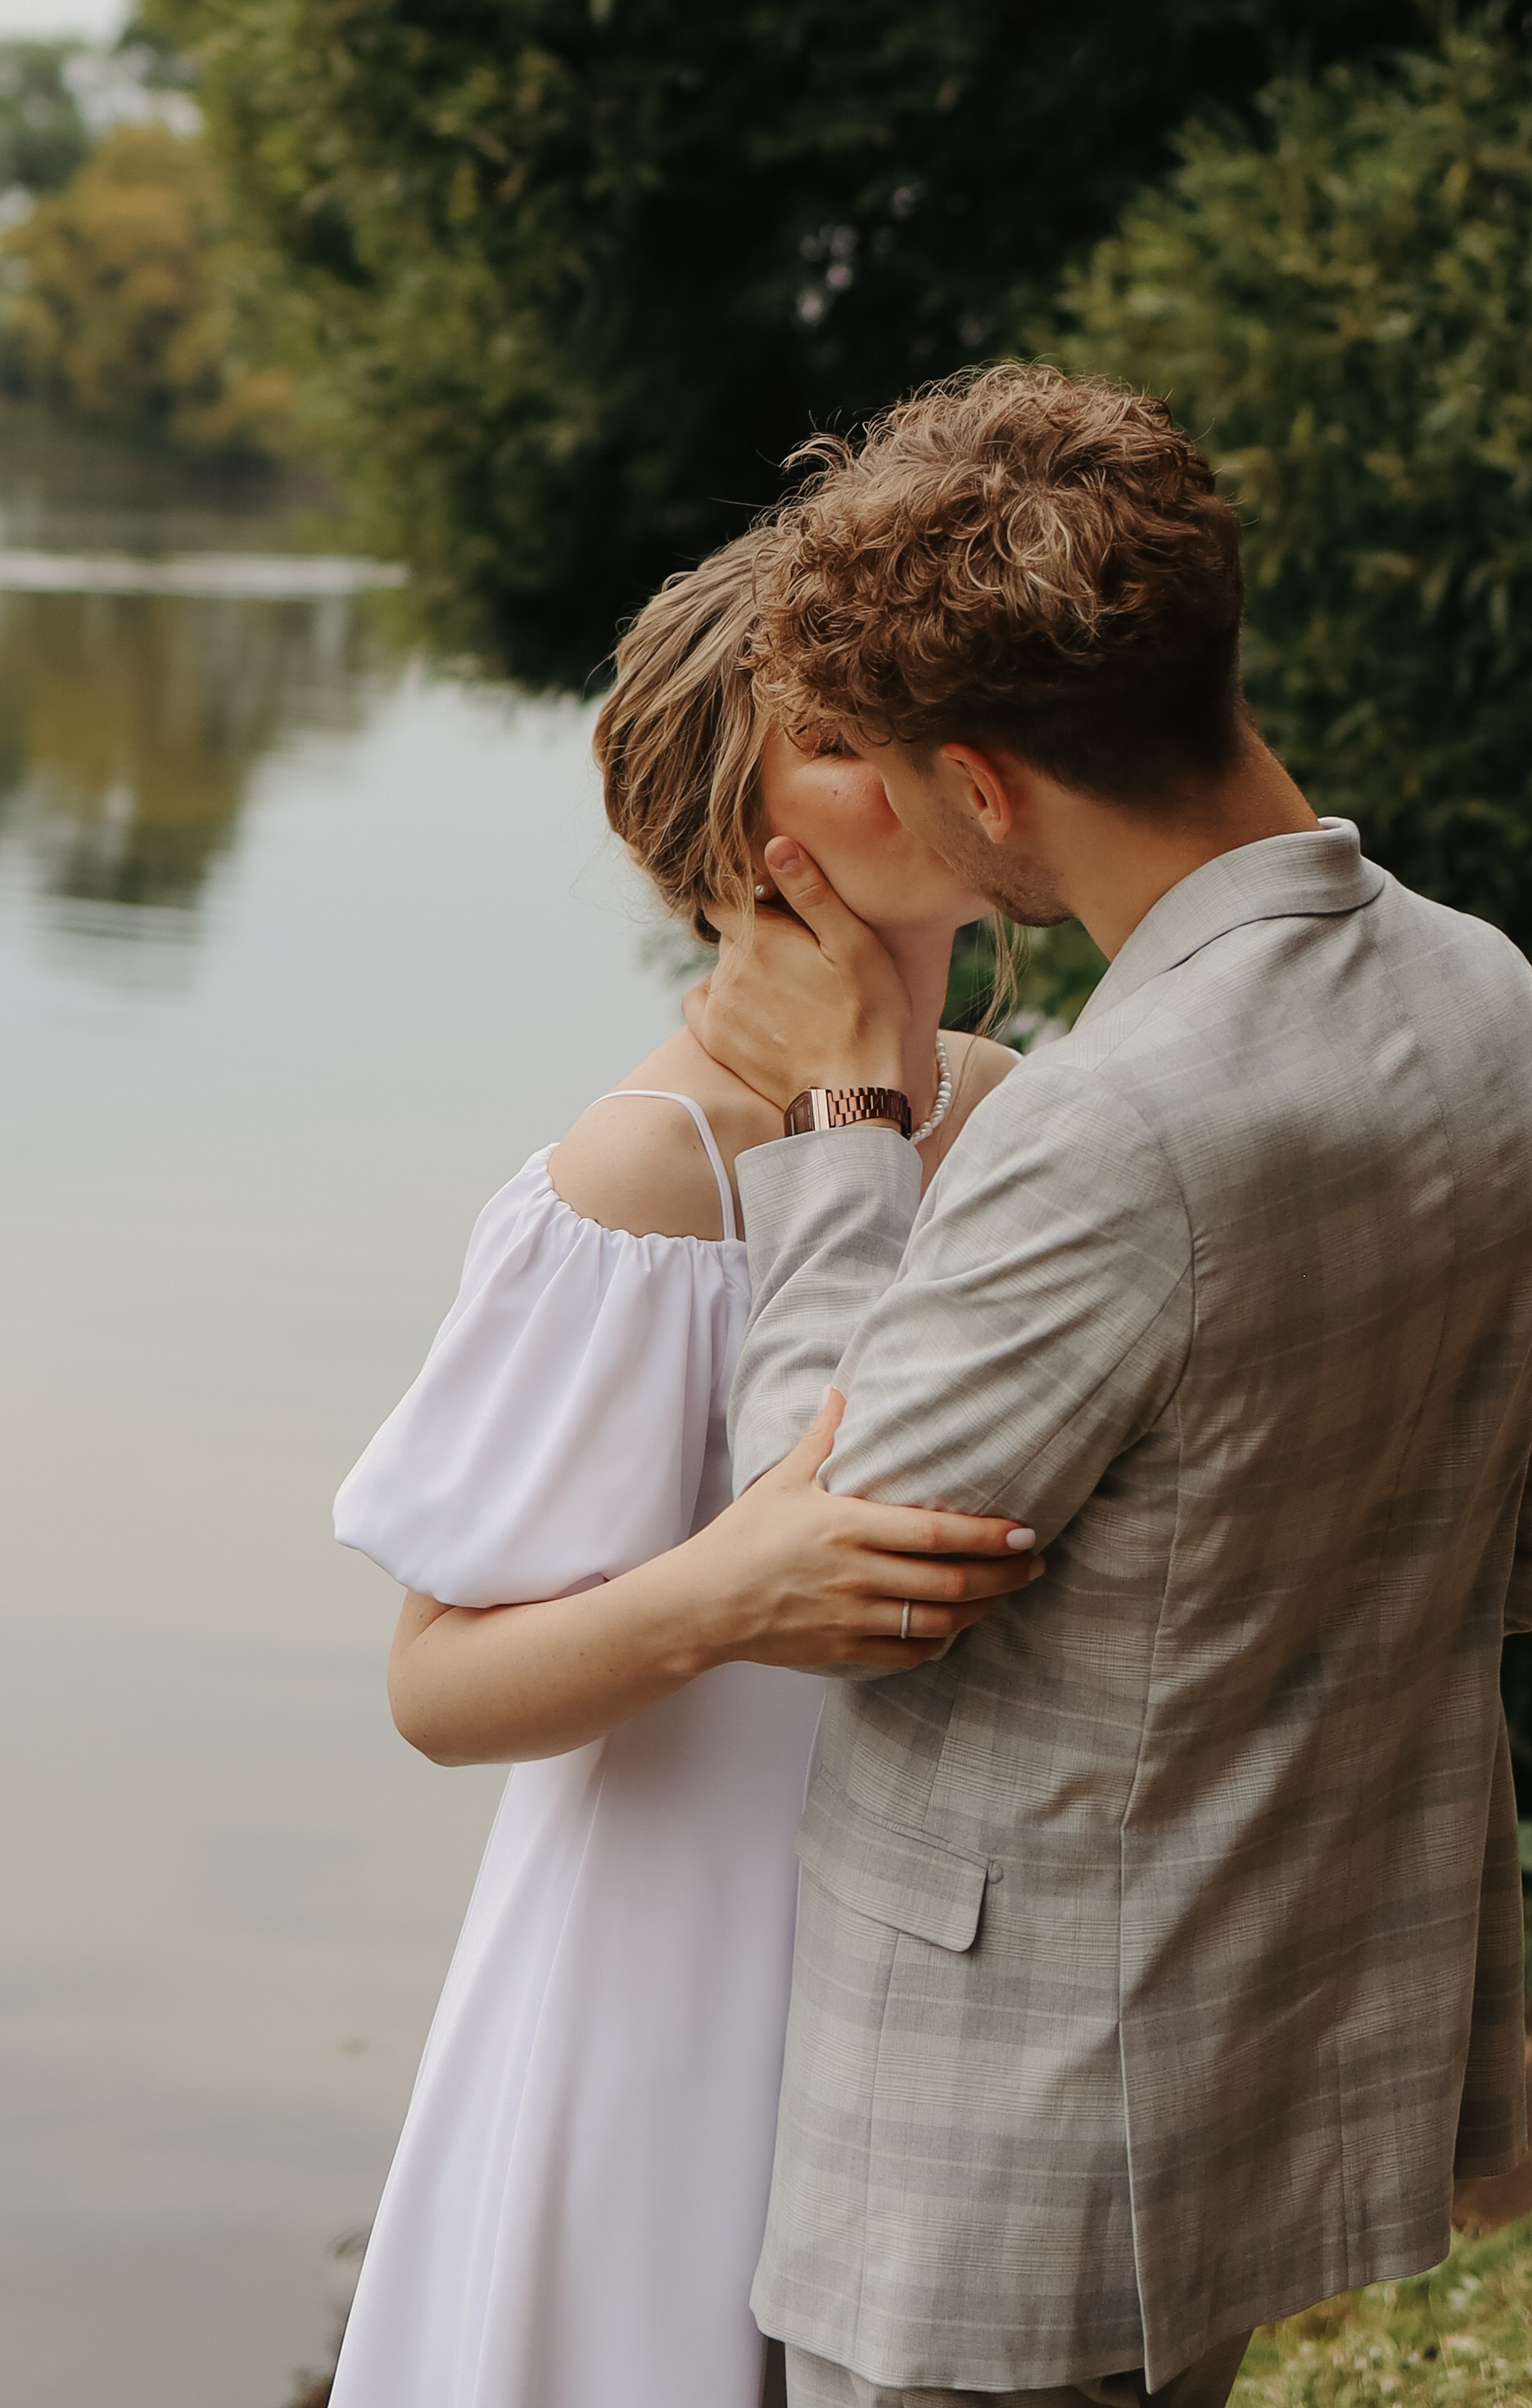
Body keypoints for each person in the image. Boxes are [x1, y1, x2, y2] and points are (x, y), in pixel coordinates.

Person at [691, 364, 1532, 2408]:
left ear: (983, 788)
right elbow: (1529, 1556)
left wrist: (838, 1119)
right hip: (1273, 2031)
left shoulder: (1104, 1127)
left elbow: (812, 1569)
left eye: (887, 771)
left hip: (1004, 2128)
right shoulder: (1494, 995)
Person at [325, 529, 1036, 2408]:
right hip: (667, 1971)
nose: (912, 761)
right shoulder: (645, 1175)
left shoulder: (1020, 1119)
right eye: (839, 738)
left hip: (954, 1960)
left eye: (925, 710)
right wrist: (720, 1597)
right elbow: (434, 1688)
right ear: (737, 838)